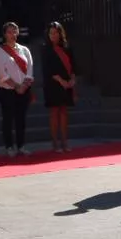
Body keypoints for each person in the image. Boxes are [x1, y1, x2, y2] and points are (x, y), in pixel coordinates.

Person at [0, 21, 35, 157]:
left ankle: (21, 145)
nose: (12, 34)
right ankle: (9, 146)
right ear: (5, 34)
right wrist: (16, 86)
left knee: (21, 119)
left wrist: (24, 86)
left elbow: (29, 71)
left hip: (24, 90)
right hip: (7, 90)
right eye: (9, 32)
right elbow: (1, 73)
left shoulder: (24, 50)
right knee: (8, 119)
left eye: (14, 31)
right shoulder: (0, 51)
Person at [43, 21, 76, 153]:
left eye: (56, 33)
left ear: (60, 33)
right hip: (53, 84)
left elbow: (74, 66)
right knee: (54, 113)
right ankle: (55, 143)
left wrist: (72, 79)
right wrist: (60, 80)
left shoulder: (67, 48)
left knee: (64, 112)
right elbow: (47, 70)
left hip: (66, 84)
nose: (53, 35)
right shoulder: (46, 49)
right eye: (51, 33)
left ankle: (65, 141)